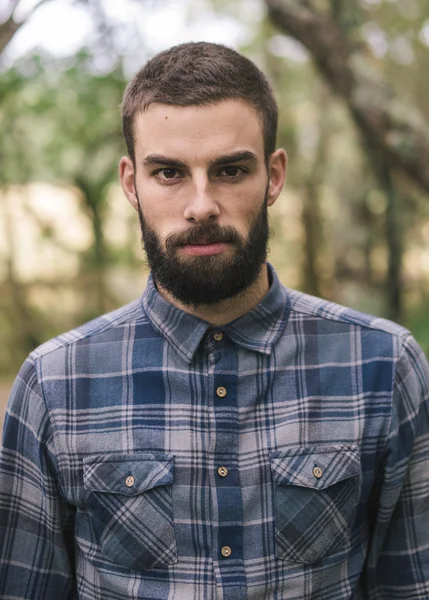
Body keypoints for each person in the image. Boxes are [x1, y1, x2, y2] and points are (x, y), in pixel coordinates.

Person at [1, 41, 428, 600]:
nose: (201, 205)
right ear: (131, 184)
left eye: (229, 169)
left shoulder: (383, 366)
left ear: (274, 176)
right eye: (170, 173)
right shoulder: (54, 384)